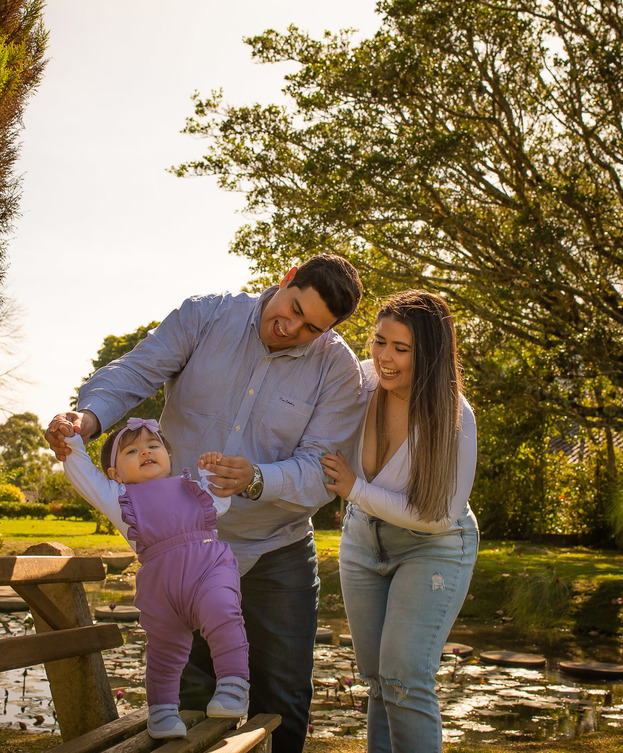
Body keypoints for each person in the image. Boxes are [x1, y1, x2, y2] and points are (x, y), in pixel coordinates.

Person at [46, 253, 365, 753]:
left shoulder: (338, 371)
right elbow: (135, 372)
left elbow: (322, 472)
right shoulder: (207, 315)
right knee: (189, 697)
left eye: (310, 328)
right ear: (285, 279)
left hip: (275, 553)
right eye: (293, 306)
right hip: (182, 555)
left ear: (329, 331)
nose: (291, 327)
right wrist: (87, 420)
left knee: (281, 702)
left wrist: (259, 478)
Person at [319, 290, 479, 753]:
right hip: (362, 543)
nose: (384, 358)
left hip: (433, 547)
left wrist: (354, 490)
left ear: (428, 354)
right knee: (378, 680)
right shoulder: (363, 383)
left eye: (401, 349)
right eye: (378, 342)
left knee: (405, 677)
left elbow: (439, 516)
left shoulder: (454, 418)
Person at [59, 417, 250, 738]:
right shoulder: (118, 497)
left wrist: (211, 470)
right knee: (165, 648)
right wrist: (74, 443)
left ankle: (233, 685)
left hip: (208, 567)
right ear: (115, 474)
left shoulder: (192, 486)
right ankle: (162, 711)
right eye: (131, 450)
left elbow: (221, 503)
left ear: (170, 457)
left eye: (153, 445)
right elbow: (83, 475)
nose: (145, 452)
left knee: (223, 613)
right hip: (161, 585)